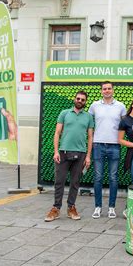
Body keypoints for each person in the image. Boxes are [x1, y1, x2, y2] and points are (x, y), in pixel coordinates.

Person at [45, 90, 94, 222]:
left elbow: (90, 137)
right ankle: (56, 208)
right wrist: (56, 151)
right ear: (74, 99)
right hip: (63, 153)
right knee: (59, 181)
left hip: (81, 154)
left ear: (85, 102)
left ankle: (71, 207)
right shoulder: (64, 113)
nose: (80, 101)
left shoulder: (88, 117)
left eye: (83, 100)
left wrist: (88, 156)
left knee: (75, 182)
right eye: (78, 98)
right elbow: (57, 133)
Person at [89, 81, 126, 219]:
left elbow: (124, 125)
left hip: (114, 145)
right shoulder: (94, 106)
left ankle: (112, 207)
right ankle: (97, 207)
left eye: (109, 88)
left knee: (113, 178)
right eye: (104, 89)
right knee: (98, 177)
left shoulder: (121, 106)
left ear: (113, 90)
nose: (107, 91)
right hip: (98, 144)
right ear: (101, 91)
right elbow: (90, 124)